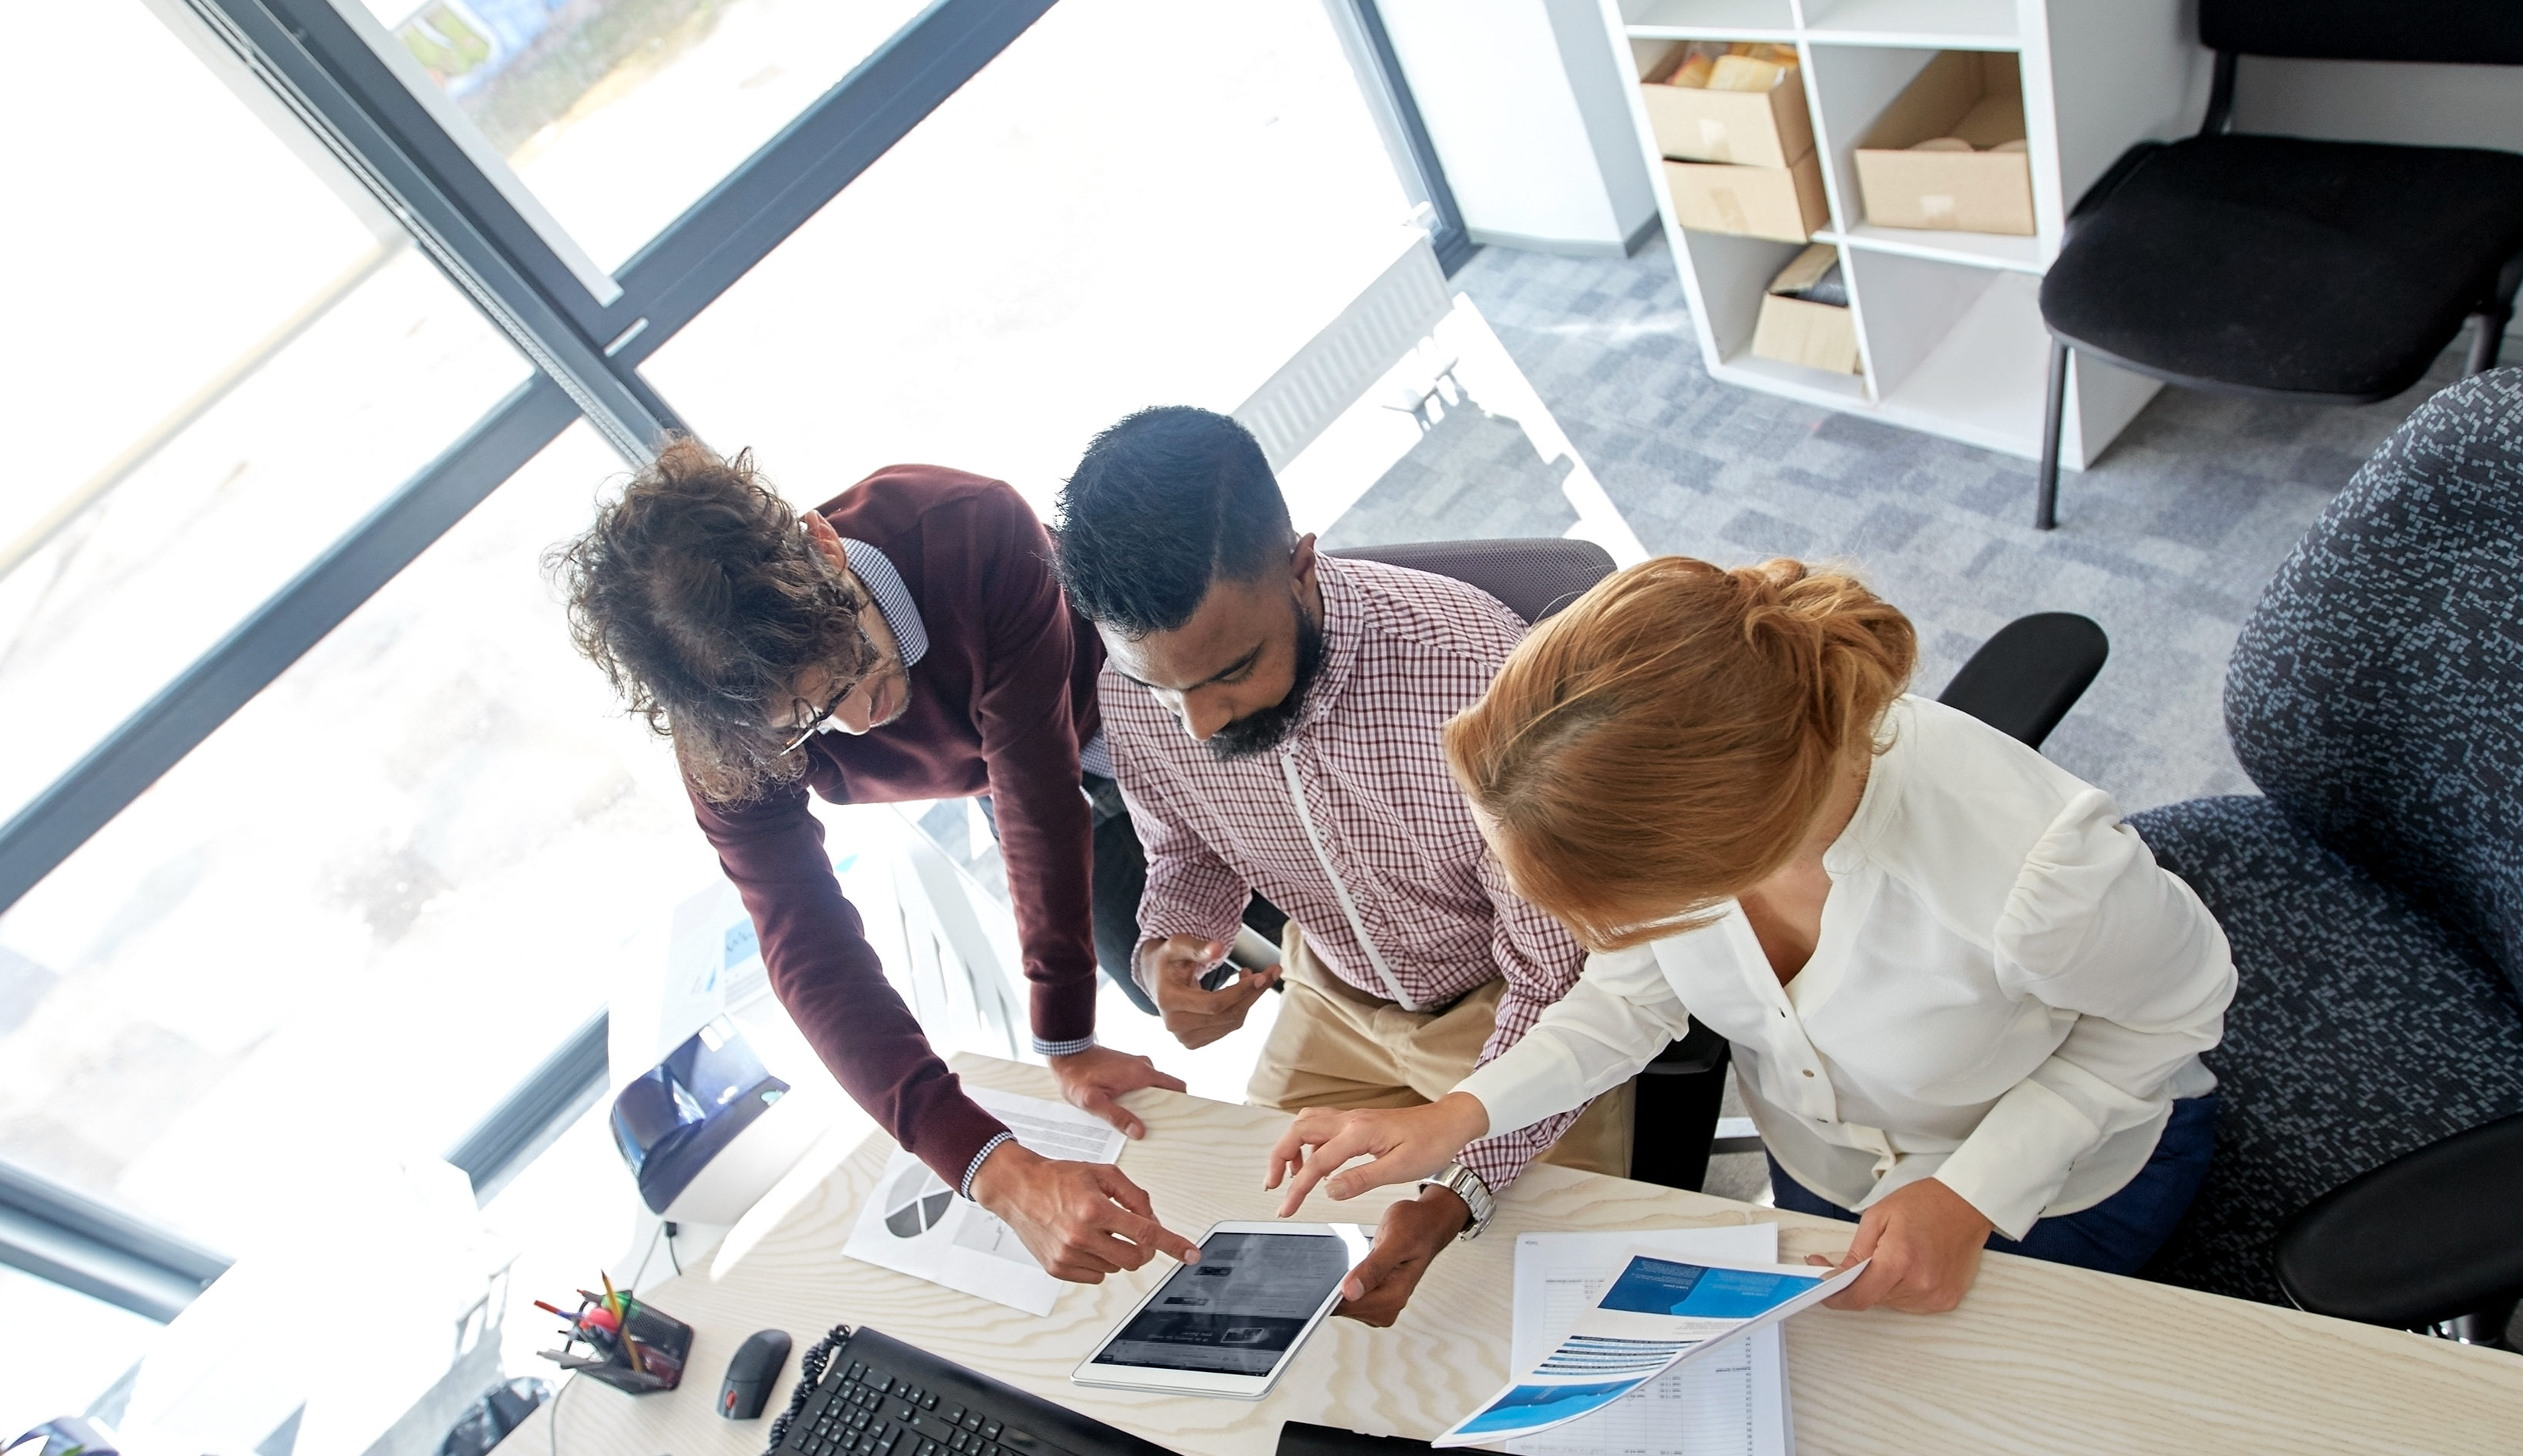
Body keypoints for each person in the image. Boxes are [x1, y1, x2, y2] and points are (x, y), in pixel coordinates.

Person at [1263, 556, 2238, 1314]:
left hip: (2067, 1180)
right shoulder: (1688, 800)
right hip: (1826, 1165)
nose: (1606, 935)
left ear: (1735, 851)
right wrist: (1458, 1116)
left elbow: (2179, 1013)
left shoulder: (2038, 872)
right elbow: (1630, 998)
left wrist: (1973, 1193)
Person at [1049, 407, 1630, 1328]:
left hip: (1513, 1000)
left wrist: (1457, 1192)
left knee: (1519, 1313)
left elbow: (1560, 981)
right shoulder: (1133, 687)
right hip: (1331, 996)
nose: (1198, 724)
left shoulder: (1476, 676)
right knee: (1240, 1279)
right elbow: (1185, 847)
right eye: (1167, 688)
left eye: (1230, 671)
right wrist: (1167, 945)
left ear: (1299, 566)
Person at [559, 443, 1194, 1284]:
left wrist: (1063, 1036)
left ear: (824, 548)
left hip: (1131, 691)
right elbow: (807, 949)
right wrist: (991, 1169)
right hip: (1014, 773)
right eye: (811, 722)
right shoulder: (736, 737)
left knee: (1300, 895)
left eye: (853, 666)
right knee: (1163, 983)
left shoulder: (968, 531)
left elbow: (1033, 792)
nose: (860, 720)